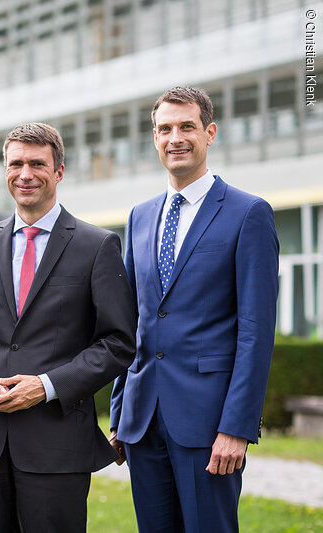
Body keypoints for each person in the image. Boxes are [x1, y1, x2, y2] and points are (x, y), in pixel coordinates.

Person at [0, 122, 136, 533]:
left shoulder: (96, 245)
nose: (25, 174)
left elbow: (119, 342)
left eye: (37, 164)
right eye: (16, 164)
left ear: (59, 171)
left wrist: (47, 385)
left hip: (58, 445)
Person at [109, 87, 279, 532]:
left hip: (210, 425)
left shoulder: (248, 213)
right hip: (143, 422)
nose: (175, 138)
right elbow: (130, 323)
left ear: (210, 133)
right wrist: (119, 414)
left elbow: (255, 332)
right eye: (164, 129)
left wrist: (237, 427)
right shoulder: (139, 217)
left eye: (186, 126)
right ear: (154, 138)